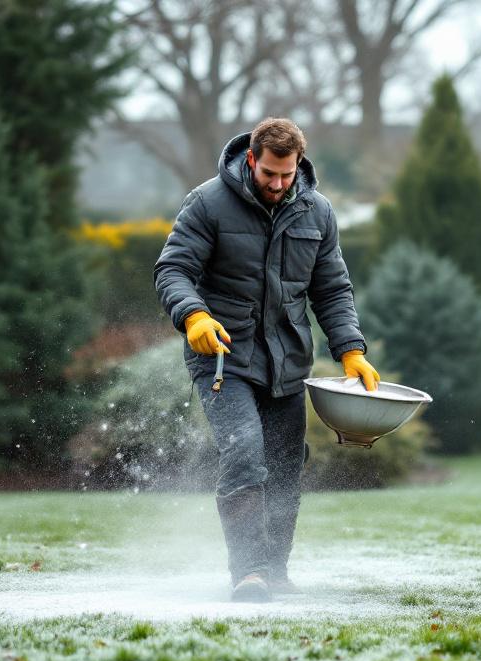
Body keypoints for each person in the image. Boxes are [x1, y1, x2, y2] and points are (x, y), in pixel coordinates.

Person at [154, 117, 380, 603]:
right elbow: (174, 269)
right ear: (251, 159)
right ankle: (249, 571)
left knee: (284, 465)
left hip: (287, 364)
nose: (279, 184)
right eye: (269, 174)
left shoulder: (317, 213)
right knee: (244, 454)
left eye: (287, 174)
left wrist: (351, 350)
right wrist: (192, 315)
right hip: (221, 357)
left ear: (299, 164)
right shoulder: (207, 203)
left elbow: (332, 290)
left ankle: (275, 568)